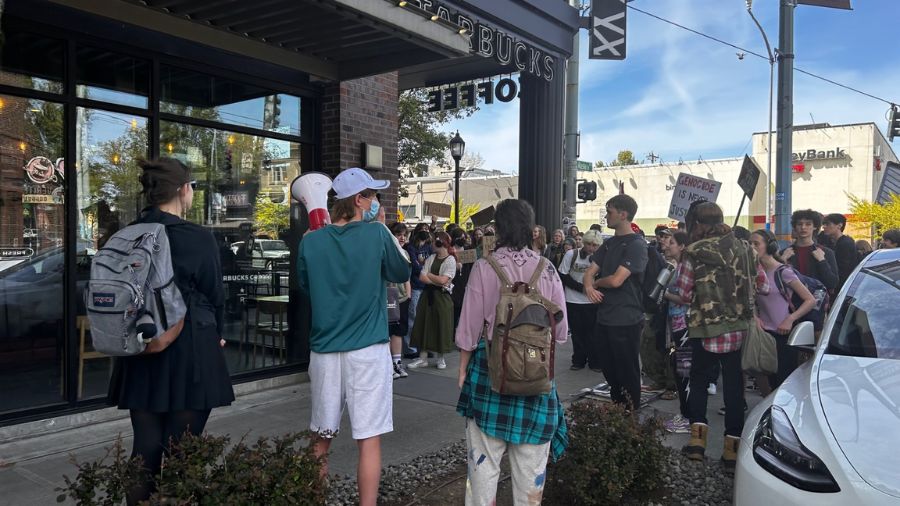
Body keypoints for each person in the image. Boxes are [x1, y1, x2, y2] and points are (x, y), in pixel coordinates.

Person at [108, 158, 234, 505]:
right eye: (192, 186)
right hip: (190, 347)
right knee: (184, 452)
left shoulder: (126, 234)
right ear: (183, 190)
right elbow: (214, 294)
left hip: (141, 345)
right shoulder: (196, 237)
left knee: (145, 447)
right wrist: (218, 333)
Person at [297, 167, 411, 506]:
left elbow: (306, 287)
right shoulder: (376, 234)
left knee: (320, 438)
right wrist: (384, 232)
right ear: (359, 200)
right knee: (369, 439)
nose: (376, 201)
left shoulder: (311, 240)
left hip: (325, 351)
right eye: (373, 195)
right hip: (368, 349)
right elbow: (401, 271)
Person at [455, 199, 568, 505]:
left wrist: (463, 369)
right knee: (531, 472)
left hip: (490, 373)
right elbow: (560, 334)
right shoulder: (547, 270)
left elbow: (468, 328)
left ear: (499, 229)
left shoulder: (484, 266)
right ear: (532, 230)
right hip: (537, 375)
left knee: (483, 467)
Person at [675, 202, 759, 471]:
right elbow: (761, 285)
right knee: (734, 387)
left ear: (698, 224)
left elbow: (686, 293)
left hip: (705, 328)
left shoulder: (692, 252)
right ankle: (731, 452)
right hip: (738, 327)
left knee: (699, 382)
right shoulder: (746, 248)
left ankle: (697, 443)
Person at [583, 194, 648, 411]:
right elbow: (588, 272)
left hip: (626, 318)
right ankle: (618, 408)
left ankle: (631, 415)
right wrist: (589, 287)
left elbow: (617, 280)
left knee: (627, 370)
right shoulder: (609, 243)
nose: (606, 216)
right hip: (605, 317)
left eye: (609, 211)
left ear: (623, 214)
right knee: (610, 369)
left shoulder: (637, 244)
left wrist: (596, 283)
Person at [750, 229, 817, 388]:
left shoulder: (783, 272)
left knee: (784, 382)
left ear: (770, 247)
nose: (752, 247)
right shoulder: (754, 273)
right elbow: (751, 300)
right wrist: (755, 317)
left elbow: (810, 300)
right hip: (764, 334)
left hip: (784, 335)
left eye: (756, 244)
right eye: (749, 244)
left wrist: (790, 319)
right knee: (767, 378)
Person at [409, 231, 457, 370]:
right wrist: (437, 279)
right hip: (427, 296)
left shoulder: (451, 260)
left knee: (441, 325)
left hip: (442, 298)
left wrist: (430, 275)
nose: (431, 245)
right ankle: (422, 358)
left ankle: (440, 358)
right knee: (424, 324)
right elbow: (422, 278)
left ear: (440, 243)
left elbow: (444, 280)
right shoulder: (431, 257)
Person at [558, 230, 603, 371]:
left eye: (595, 245)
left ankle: (595, 361)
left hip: (592, 301)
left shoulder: (600, 258)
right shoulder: (571, 255)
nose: (591, 248)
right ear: (584, 243)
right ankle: (578, 360)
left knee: (593, 333)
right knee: (577, 333)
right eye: (589, 244)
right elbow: (563, 275)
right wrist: (582, 288)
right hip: (573, 300)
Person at [661, 231, 691, 434]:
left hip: (685, 325)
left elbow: (684, 298)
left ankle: (688, 416)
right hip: (676, 323)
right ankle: (686, 413)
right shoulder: (676, 267)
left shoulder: (685, 269)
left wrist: (665, 293)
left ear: (682, 246)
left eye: (672, 243)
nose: (667, 245)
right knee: (681, 370)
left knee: (685, 372)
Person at [781, 210, 839, 292]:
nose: (803, 227)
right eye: (799, 224)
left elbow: (832, 283)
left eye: (808, 224)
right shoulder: (785, 253)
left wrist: (822, 261)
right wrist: (782, 261)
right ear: (795, 227)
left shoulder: (826, 252)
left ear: (815, 226)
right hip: (790, 302)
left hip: (817, 300)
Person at [388, 222, 412, 380]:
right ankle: (388, 365)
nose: (402, 237)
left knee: (399, 331)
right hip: (388, 295)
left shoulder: (406, 253)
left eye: (404, 234)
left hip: (402, 296)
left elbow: (407, 277)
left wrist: (408, 294)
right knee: (388, 331)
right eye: (398, 234)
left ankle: (397, 363)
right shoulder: (387, 251)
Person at [404, 229, 432, 358]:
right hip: (416, 285)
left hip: (426, 285)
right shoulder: (410, 248)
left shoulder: (428, 247)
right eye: (421, 241)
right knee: (413, 317)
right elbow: (415, 266)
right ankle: (411, 348)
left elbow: (432, 262)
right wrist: (427, 270)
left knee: (425, 318)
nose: (422, 244)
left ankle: (424, 347)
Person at [819, 213, 859, 287]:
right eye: (823, 224)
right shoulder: (830, 241)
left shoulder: (846, 243)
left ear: (839, 225)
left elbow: (843, 269)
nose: (824, 227)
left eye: (827, 224)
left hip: (842, 285)